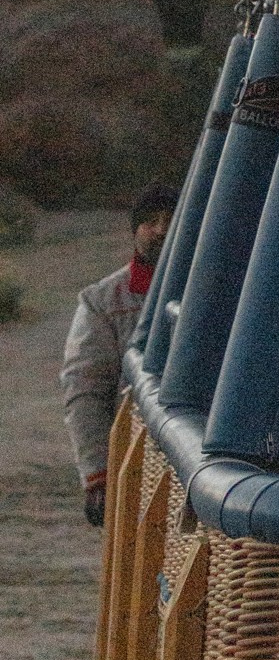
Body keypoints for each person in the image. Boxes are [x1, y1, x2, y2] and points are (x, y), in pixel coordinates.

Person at [62, 181, 176, 522]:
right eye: (150, 220)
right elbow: (85, 390)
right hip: (133, 462)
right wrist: (98, 475)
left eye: (172, 219)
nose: (161, 229)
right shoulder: (102, 302)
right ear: (134, 230)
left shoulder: (219, 292)